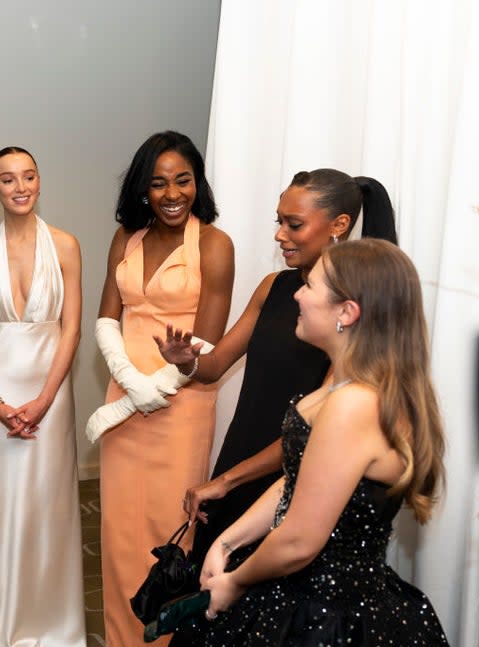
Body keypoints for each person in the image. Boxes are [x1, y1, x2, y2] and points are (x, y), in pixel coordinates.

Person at [156, 169, 399, 595]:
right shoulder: (275, 287)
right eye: (279, 221)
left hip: (296, 471)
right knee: (213, 585)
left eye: (294, 224)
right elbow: (213, 367)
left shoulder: (350, 312)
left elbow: (316, 427)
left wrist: (229, 480)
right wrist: (186, 363)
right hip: (242, 453)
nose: (280, 235)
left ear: (339, 225)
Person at [196, 239, 448, 645]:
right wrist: (229, 541)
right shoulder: (343, 386)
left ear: (346, 313)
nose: (297, 293)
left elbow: (298, 542)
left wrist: (235, 582)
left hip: (328, 613)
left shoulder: (356, 403)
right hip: (301, 592)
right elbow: (299, 481)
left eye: (309, 286)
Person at [96, 131, 234, 647]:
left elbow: (208, 343)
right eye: (158, 183)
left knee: (172, 532)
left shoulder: (215, 245)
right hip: (122, 405)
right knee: (121, 533)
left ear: (197, 183)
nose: (172, 193)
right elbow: (107, 318)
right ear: (142, 189)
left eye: (183, 180)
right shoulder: (125, 239)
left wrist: (157, 386)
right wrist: (130, 384)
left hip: (182, 407)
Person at [0, 147, 86, 646]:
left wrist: (46, 399)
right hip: (0, 388)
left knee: (49, 500)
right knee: (3, 497)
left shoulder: (67, 246)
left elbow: (71, 330)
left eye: (28, 176)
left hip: (52, 388)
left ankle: (51, 613)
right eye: (7, 180)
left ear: (39, 181)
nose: (20, 186)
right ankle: (0, 607)